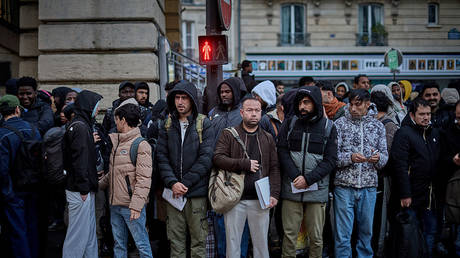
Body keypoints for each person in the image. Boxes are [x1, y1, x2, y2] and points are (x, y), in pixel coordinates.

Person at [213, 97, 281, 258]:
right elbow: (217, 158)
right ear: (242, 112)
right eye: (249, 110)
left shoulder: (267, 137)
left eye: (257, 110)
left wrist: (275, 194)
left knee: (261, 247)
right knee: (233, 247)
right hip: (235, 198)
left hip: (260, 199)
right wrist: (244, 164)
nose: (254, 114)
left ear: (261, 113)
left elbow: (274, 167)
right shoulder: (229, 134)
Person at [277, 86, 338, 258]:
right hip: (291, 190)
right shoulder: (289, 123)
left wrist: (308, 179)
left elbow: (330, 160)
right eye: (299, 103)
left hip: (316, 193)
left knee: (316, 238)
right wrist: (296, 176)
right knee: (289, 237)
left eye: (306, 102)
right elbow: (282, 150)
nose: (302, 107)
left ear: (316, 103)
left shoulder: (328, 127)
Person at [156, 81, 214, 258]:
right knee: (176, 242)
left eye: (184, 98)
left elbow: (206, 158)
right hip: (173, 195)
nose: (180, 102)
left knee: (198, 242)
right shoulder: (167, 124)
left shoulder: (203, 123)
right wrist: (173, 183)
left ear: (192, 101)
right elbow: (161, 156)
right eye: (177, 98)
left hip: (196, 193)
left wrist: (184, 183)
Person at [334, 89, 388, 258]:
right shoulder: (340, 124)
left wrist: (378, 158)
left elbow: (385, 157)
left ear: (367, 104)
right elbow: (333, 158)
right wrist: (350, 157)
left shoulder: (378, 126)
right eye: (351, 104)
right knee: (343, 235)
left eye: (358, 104)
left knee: (366, 233)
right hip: (344, 186)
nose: (353, 108)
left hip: (369, 187)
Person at [99, 103, 153, 258]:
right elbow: (115, 173)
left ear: (123, 120)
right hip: (115, 205)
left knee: (141, 244)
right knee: (118, 244)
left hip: (131, 207)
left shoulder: (141, 145)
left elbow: (144, 180)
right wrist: (97, 185)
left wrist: (136, 207)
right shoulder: (117, 142)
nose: (115, 123)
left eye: (116, 119)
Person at [391, 98, 441, 257]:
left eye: (428, 114)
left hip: (430, 197)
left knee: (430, 233)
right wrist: (405, 194)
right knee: (410, 238)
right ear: (412, 115)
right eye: (422, 114)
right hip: (411, 197)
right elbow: (400, 165)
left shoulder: (434, 132)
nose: (426, 117)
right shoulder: (404, 133)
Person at [62, 90, 103, 258]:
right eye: (96, 106)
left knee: (88, 235)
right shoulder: (80, 127)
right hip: (80, 191)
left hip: (82, 189)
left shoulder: (80, 125)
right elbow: (80, 161)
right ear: (88, 106)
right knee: (77, 237)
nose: (98, 110)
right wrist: (84, 189)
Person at [0, 95, 42, 258]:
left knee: (18, 231)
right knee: (32, 228)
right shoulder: (33, 130)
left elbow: (2, 170)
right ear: (17, 109)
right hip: (34, 187)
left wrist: (6, 193)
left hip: (13, 191)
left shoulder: (3, 134)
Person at [369, 91, 399, 257]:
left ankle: (377, 251)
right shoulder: (377, 122)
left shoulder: (387, 125)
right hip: (376, 178)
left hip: (382, 178)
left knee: (379, 219)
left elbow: (386, 155)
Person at [440, 100, 460, 257]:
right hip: (454, 191)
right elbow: (440, 159)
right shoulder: (448, 132)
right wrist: (452, 159)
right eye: (458, 117)